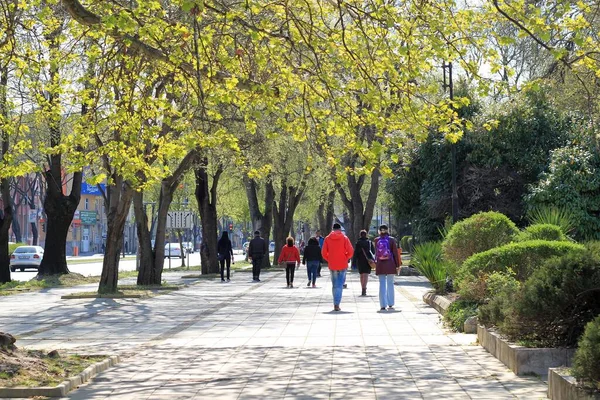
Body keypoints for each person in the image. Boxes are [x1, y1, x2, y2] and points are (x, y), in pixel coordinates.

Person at [322, 223, 354, 311]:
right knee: (340, 284)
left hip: (332, 264)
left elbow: (324, 253)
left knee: (335, 284)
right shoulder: (344, 238)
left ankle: (335, 303)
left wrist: (330, 259)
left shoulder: (327, 239)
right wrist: (345, 257)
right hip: (342, 264)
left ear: (332, 229)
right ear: (340, 229)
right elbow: (351, 251)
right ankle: (337, 304)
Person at [374, 225, 401, 311]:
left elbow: (376, 253)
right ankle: (390, 303)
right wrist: (398, 265)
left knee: (382, 283)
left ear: (379, 231)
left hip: (380, 265)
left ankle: (382, 304)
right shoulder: (392, 240)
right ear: (387, 230)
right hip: (390, 264)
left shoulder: (376, 240)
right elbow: (395, 254)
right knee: (390, 283)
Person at [353, 229, 375, 296]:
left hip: (360, 261)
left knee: (361, 275)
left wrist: (354, 263)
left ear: (360, 235)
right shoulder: (369, 242)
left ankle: (362, 287)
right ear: (366, 235)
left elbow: (355, 253)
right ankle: (364, 288)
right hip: (368, 261)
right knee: (366, 275)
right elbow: (373, 252)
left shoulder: (358, 243)